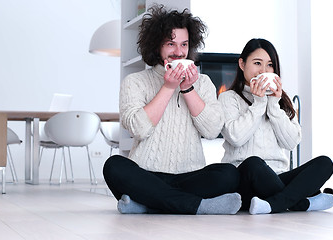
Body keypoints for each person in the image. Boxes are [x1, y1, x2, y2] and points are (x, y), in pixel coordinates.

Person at [103, 5, 241, 215]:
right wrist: (168, 87)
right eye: (171, 44)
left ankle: (147, 203)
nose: (179, 52)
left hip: (191, 174)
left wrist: (187, 88)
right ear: (156, 46)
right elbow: (138, 129)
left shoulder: (202, 83)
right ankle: (197, 206)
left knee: (229, 174)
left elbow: (212, 131)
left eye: (184, 44)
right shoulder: (135, 81)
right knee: (114, 166)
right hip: (146, 173)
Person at [218, 38, 333, 214]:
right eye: (257, 63)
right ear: (242, 64)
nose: (263, 71)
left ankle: (273, 204)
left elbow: (291, 142)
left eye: (270, 65)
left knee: (325, 163)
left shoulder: (281, 101)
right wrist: (258, 104)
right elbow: (236, 138)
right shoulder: (229, 98)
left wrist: (273, 105)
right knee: (254, 163)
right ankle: (301, 203)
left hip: (277, 177)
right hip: (245, 179)